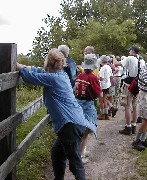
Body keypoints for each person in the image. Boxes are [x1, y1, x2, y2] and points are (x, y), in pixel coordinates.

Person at [16, 48, 96, 180]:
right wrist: (24, 66)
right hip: (74, 122)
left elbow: (30, 76)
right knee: (57, 154)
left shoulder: (53, 79)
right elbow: (38, 71)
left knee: (75, 164)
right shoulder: (60, 74)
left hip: (70, 125)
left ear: (49, 63)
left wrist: (19, 67)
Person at [75, 54, 103, 164]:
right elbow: (100, 94)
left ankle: (79, 151)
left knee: (78, 130)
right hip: (87, 104)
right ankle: (80, 156)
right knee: (86, 131)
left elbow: (76, 88)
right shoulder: (93, 78)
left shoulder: (80, 76)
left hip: (77, 103)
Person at [113, 45, 145, 135]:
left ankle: (128, 127)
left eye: (130, 51)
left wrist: (113, 57)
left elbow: (116, 64)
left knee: (127, 105)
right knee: (135, 106)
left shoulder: (130, 58)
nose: (129, 52)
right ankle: (134, 125)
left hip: (130, 84)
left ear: (133, 51)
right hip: (138, 84)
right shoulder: (141, 60)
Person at [98, 55, 113, 120]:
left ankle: (102, 114)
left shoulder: (103, 68)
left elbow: (101, 78)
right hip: (108, 84)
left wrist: (96, 77)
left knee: (101, 100)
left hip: (102, 85)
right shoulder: (108, 67)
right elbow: (111, 75)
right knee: (105, 99)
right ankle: (106, 114)